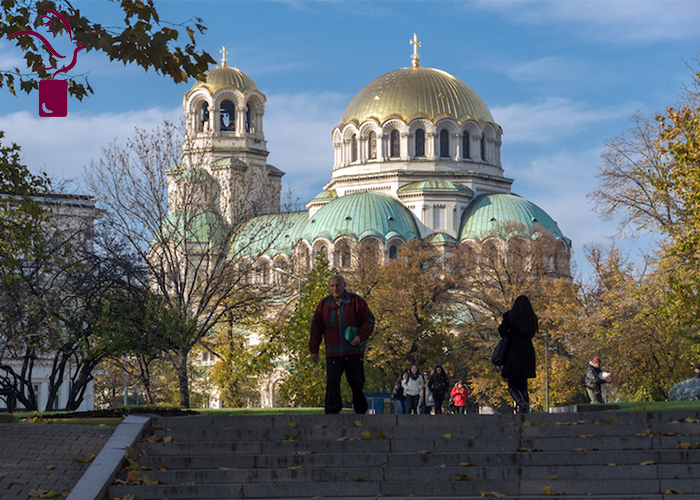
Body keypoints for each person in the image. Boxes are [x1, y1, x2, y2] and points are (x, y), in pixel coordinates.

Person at [310, 274, 375, 414]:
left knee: (356, 383)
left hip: (354, 352)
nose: (335, 289)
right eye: (332, 286)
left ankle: (360, 410)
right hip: (333, 353)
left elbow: (369, 321)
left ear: (344, 285)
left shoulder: (356, 302)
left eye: (337, 285)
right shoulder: (324, 305)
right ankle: (332, 411)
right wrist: (314, 350)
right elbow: (316, 328)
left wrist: (360, 336)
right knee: (332, 383)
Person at [499, 295, 538, 414]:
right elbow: (532, 333)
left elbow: (502, 331)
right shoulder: (532, 318)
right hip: (527, 351)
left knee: (512, 384)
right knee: (523, 383)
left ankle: (521, 402)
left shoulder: (510, 316)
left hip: (513, 351)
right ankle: (525, 407)